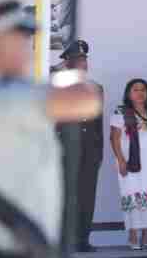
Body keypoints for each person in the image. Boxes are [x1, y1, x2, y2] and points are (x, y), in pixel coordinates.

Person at [0, 0, 102, 257]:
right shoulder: (9, 94)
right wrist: (70, 72)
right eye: (20, 38)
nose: (28, 47)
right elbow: (86, 99)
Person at [54, 39, 104, 252]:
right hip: (64, 150)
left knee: (86, 196)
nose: (83, 63)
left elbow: (98, 124)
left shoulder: (95, 89)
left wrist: (99, 152)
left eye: (84, 59)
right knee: (65, 196)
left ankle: (83, 239)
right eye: (77, 60)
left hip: (89, 150)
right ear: (67, 63)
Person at [110, 78, 147, 250]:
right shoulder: (121, 112)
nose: (140, 93)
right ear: (129, 93)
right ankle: (133, 235)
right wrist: (121, 160)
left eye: (143, 89)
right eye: (135, 89)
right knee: (133, 194)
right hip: (131, 163)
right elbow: (114, 138)